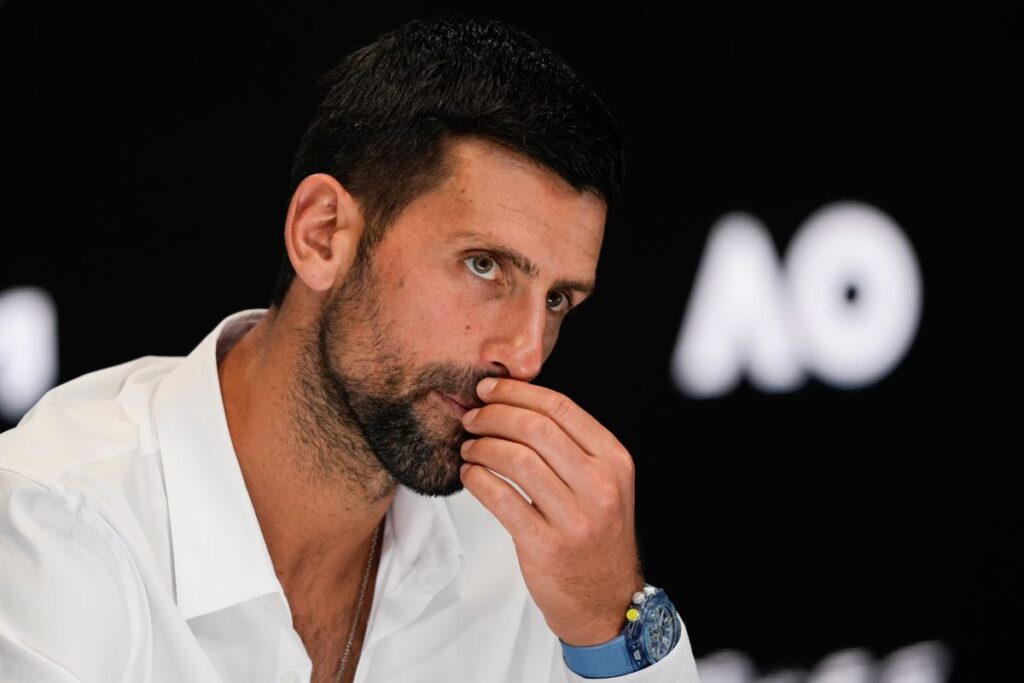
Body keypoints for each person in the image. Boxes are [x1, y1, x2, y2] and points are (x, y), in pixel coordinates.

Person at [0, 14, 700, 683]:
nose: (525, 354)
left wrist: (613, 621)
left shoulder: (527, 551)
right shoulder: (52, 524)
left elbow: (601, 618)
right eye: (484, 265)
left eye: (556, 300)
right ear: (322, 234)